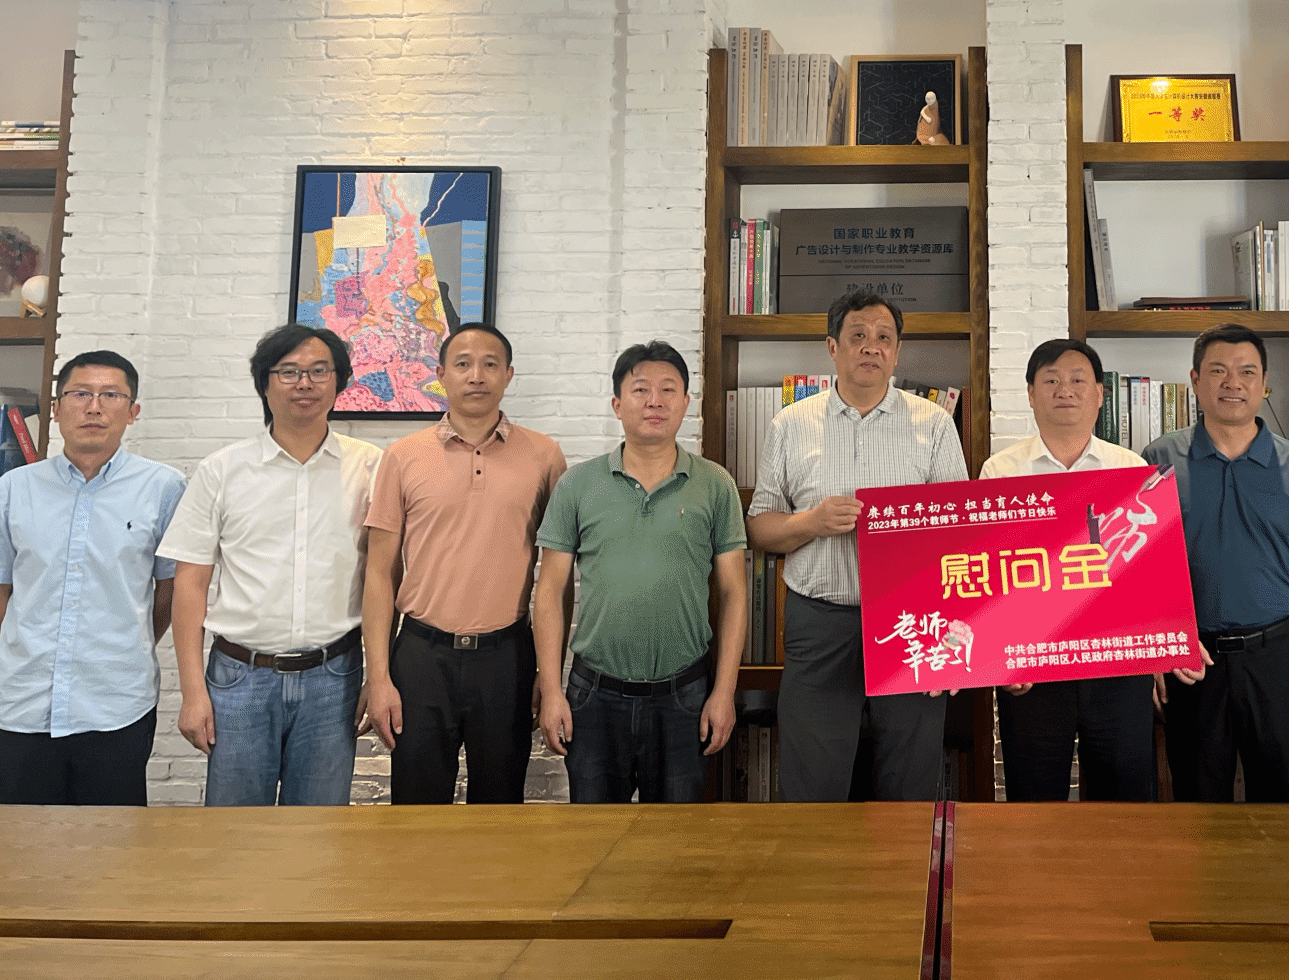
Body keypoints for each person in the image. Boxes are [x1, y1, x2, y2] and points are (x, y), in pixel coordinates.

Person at [748, 289, 969, 801]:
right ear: (833, 347)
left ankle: (905, 857)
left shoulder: (934, 424)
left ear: (897, 352)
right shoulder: (790, 424)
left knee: (910, 777)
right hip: (820, 620)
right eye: (858, 336)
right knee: (813, 783)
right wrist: (811, 522)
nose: (871, 347)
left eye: (884, 338)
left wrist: (955, 634)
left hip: (914, 622)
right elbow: (759, 528)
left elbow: (958, 535)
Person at [158, 324, 381, 807]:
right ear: (264, 383)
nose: (305, 383)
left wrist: (379, 676)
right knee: (234, 833)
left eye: (319, 371)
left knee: (319, 833)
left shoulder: (372, 468)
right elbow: (190, 584)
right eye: (289, 372)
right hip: (239, 678)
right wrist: (193, 693)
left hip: (334, 677)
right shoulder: (222, 470)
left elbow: (386, 577)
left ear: (340, 382)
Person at [980, 338, 1205, 802]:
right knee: (1034, 801)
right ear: (1030, 394)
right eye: (1051, 381)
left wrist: (1173, 635)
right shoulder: (1000, 472)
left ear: (1100, 394)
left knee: (1123, 801)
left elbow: (1150, 570)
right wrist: (1001, 655)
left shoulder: (1130, 467)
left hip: (1116, 663)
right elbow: (991, 576)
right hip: (1034, 667)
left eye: (1077, 380)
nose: (1065, 390)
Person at [0, 351, 186, 806]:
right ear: (56, 407)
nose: (94, 407)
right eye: (80, 394)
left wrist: (126, 640)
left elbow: (170, 590)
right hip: (24, 701)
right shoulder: (15, 488)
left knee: (112, 842)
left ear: (133, 411)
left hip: (116, 702)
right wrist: (31, 640)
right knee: (18, 840)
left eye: (111, 396)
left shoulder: (164, 488)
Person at [532, 341, 746, 803]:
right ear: (617, 404)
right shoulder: (578, 485)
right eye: (641, 389)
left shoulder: (716, 484)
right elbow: (549, 591)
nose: (655, 401)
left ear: (685, 403)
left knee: (674, 839)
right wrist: (551, 691)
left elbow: (734, 592)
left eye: (668, 390)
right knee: (595, 836)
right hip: (594, 694)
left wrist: (724, 692)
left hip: (685, 694)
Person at [362, 322, 567, 804]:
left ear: (508, 375)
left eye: (490, 364)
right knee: (416, 808)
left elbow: (558, 578)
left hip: (507, 656)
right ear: (440, 375)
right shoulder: (402, 456)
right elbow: (379, 573)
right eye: (463, 364)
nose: (477, 375)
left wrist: (549, 672)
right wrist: (379, 676)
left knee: (499, 807)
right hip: (421, 654)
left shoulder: (544, 456)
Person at [1143, 323, 1289, 803]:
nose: (1233, 383)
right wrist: (1155, 652)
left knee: (1285, 804)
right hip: (1192, 661)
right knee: (1198, 804)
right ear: (1195, 380)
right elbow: (1142, 570)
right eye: (1218, 371)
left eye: (1247, 372)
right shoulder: (1160, 460)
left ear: (1264, 383)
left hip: (1278, 658)